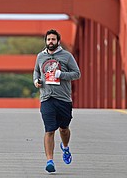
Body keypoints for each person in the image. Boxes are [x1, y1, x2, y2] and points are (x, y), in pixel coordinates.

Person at [33, 29, 81, 173]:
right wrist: (36, 80)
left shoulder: (67, 56)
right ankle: (50, 161)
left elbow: (77, 74)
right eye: (48, 40)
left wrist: (62, 74)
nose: (51, 42)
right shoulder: (40, 56)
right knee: (49, 130)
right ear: (46, 41)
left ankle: (65, 148)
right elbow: (36, 70)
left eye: (53, 39)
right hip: (47, 98)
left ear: (58, 41)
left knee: (64, 129)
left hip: (63, 99)